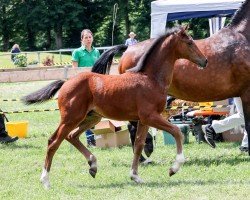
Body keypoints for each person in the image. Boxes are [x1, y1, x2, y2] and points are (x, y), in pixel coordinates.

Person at [71, 29, 100, 146]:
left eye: (90, 37)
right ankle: (89, 139)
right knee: (85, 113)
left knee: (95, 113)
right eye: (86, 37)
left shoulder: (96, 52)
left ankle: (93, 138)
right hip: (83, 86)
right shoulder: (77, 52)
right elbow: (75, 71)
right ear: (81, 40)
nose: (88, 39)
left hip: (95, 86)